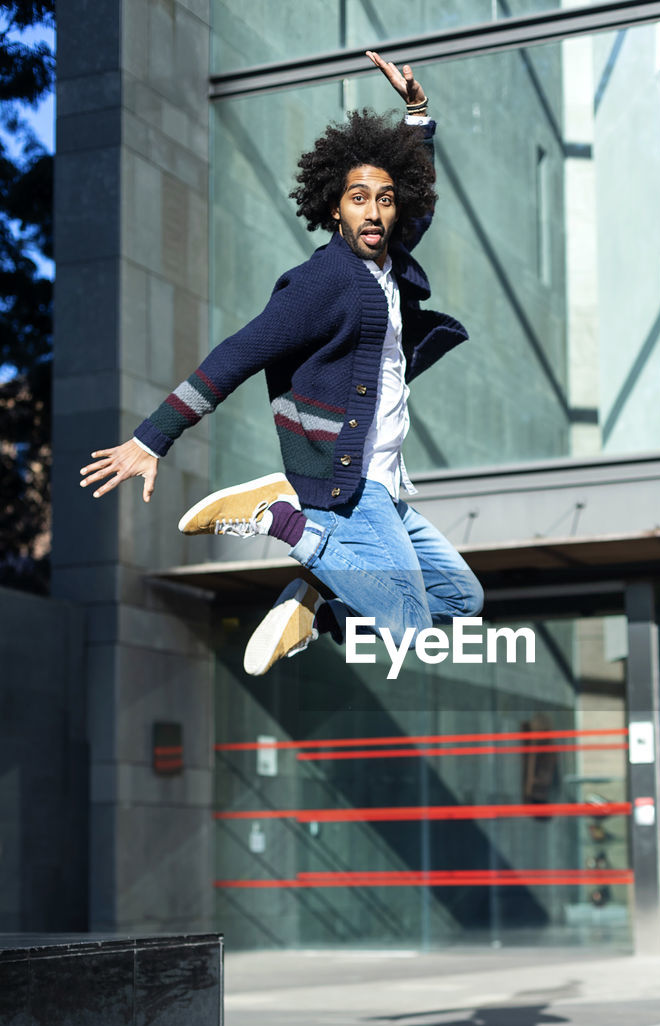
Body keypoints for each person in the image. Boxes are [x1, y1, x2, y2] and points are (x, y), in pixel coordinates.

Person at [80, 51, 483, 675]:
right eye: (358, 199)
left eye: (385, 199)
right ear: (333, 209)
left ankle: (317, 598)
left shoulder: (389, 260)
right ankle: (281, 518)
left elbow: (421, 203)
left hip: (386, 481)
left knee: (463, 599)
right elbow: (238, 353)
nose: (374, 212)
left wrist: (417, 115)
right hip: (348, 484)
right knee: (409, 626)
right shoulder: (324, 283)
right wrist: (152, 438)